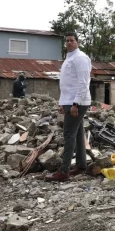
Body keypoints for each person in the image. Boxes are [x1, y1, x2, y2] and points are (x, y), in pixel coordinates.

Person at [45, 32, 91, 182]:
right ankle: (81, 165)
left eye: (72, 40)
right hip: (69, 101)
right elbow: (66, 83)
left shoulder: (81, 58)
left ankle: (64, 171)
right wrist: (62, 102)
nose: (69, 43)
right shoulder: (69, 58)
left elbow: (83, 84)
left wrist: (75, 104)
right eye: (67, 41)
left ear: (77, 42)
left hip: (77, 102)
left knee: (68, 134)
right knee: (77, 133)